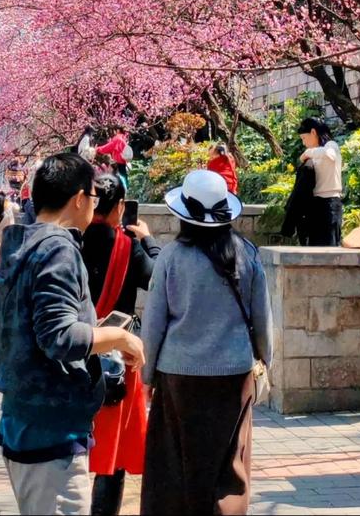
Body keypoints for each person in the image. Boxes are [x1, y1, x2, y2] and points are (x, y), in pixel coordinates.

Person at [0, 150, 144, 516]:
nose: (94, 205)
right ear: (77, 198)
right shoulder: (59, 247)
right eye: (92, 197)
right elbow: (58, 337)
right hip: (51, 432)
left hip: (22, 420)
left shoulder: (19, 244)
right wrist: (121, 338)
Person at [140, 168, 273, 516]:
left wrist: (147, 377)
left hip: (178, 375)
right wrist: (264, 360)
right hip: (234, 374)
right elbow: (263, 319)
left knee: (173, 466)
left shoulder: (171, 257)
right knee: (229, 466)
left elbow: (154, 324)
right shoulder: (247, 253)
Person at [81, 175, 161, 516]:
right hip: (115, 358)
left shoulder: (70, 240)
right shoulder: (128, 246)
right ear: (117, 208)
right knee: (111, 455)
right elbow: (158, 280)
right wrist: (149, 241)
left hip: (74, 352)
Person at [297, 116, 343, 246]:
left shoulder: (330, 145)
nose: (304, 143)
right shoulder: (314, 154)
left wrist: (308, 153)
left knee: (330, 246)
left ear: (313, 132)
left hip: (330, 204)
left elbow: (330, 154)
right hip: (315, 204)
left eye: (304, 138)